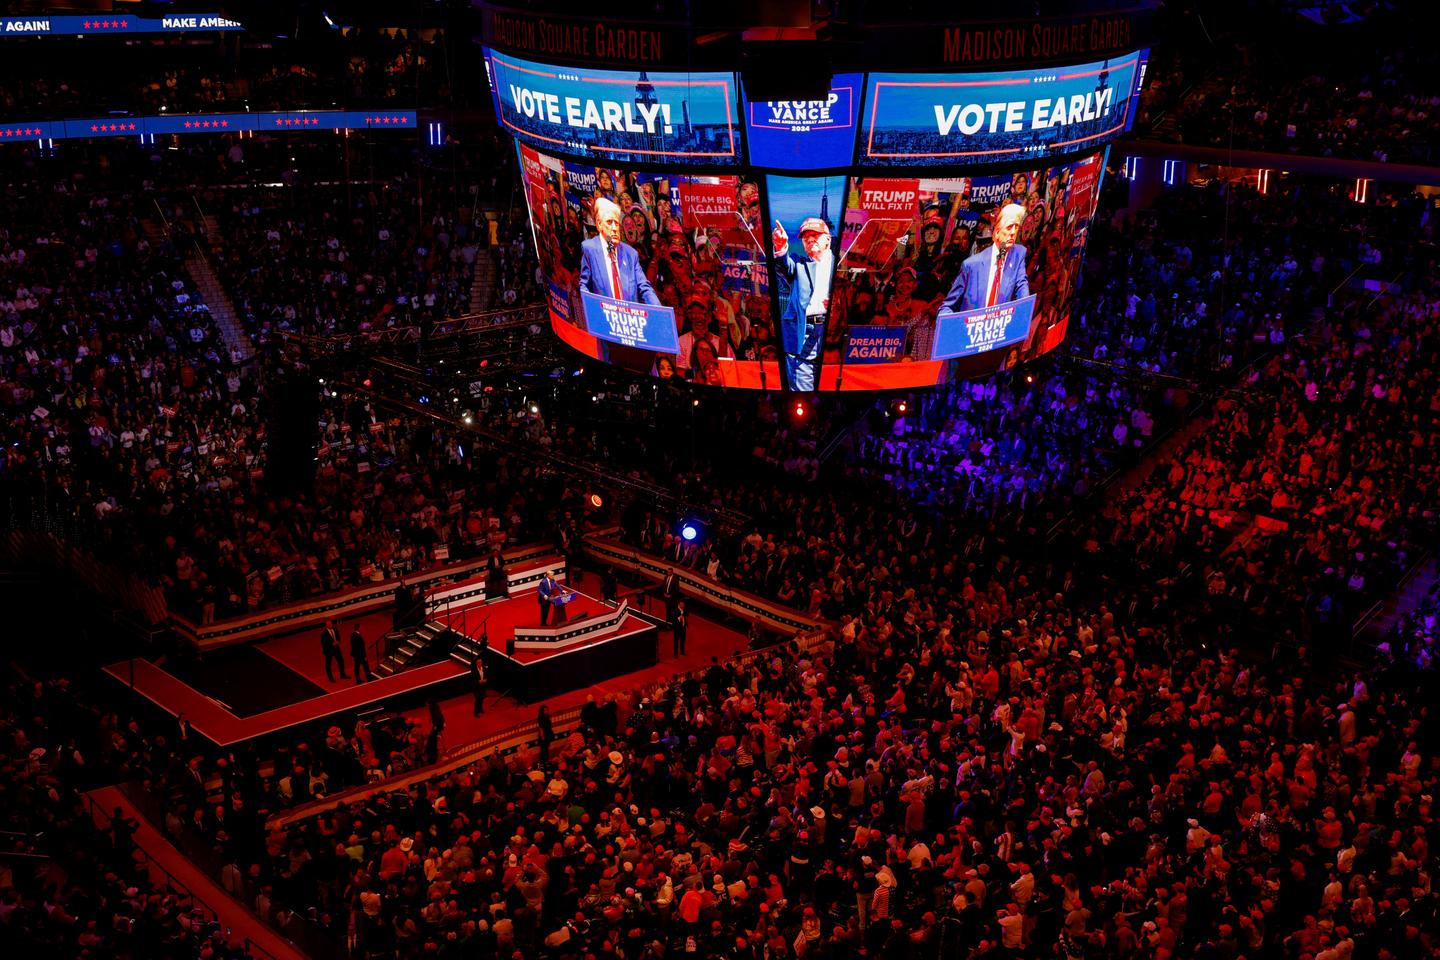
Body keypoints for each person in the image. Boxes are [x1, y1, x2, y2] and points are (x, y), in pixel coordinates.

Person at [772, 216, 834, 392]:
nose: (810, 239)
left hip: (832, 335)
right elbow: (783, 266)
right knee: (802, 387)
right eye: (806, 237)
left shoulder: (841, 263)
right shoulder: (799, 264)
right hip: (804, 331)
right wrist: (780, 247)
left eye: (815, 234)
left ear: (828, 238)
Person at [940, 203, 1031, 314]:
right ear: (997, 232)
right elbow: (948, 306)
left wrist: (1024, 310)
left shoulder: (1018, 253)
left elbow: (1022, 286)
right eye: (1009, 227)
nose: (1013, 232)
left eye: (1016, 227)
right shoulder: (971, 265)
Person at [578, 197, 661, 305]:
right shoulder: (590, 249)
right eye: (609, 222)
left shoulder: (631, 254)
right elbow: (584, 286)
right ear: (599, 225)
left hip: (628, 317)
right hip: (603, 317)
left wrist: (658, 310)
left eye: (616, 223)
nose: (614, 228)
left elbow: (644, 288)